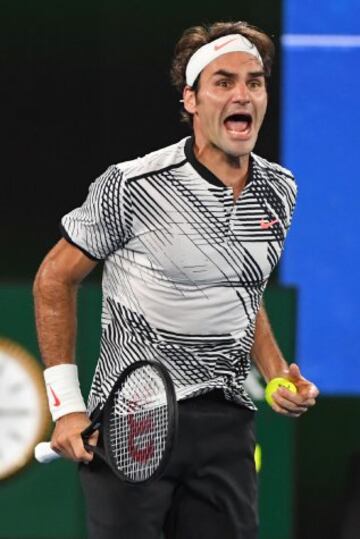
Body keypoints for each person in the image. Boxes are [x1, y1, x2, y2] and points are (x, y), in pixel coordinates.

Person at [33, 20, 319, 539]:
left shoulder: (280, 190)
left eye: (254, 82)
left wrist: (277, 374)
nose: (243, 95)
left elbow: (240, 291)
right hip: (132, 421)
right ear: (191, 99)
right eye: (224, 81)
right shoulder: (131, 185)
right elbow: (53, 279)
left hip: (227, 425)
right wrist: (68, 408)